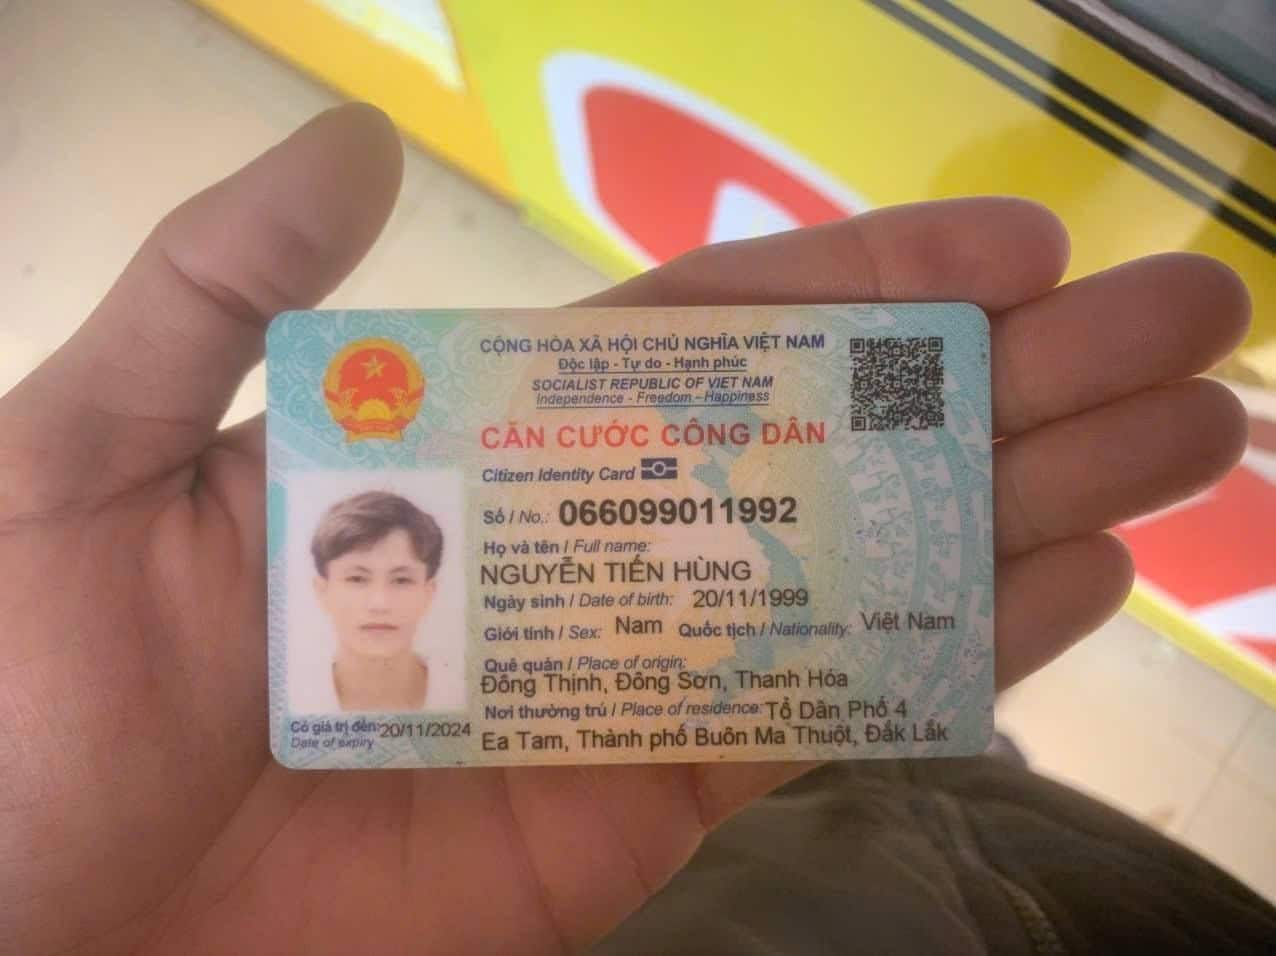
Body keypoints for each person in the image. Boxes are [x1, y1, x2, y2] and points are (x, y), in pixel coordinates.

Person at [0, 103, 1271, 954]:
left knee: (902, 749)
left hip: (766, 859)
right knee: (927, 767)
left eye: (400, 568)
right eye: (362, 571)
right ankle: (927, 760)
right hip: (893, 896)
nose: (381, 593)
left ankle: (916, 757)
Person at [306, 490, 446, 713]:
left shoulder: (460, 691)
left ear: (428, 594)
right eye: (357, 579)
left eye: (401, 580)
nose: (380, 604)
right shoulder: (297, 699)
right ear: (323, 592)